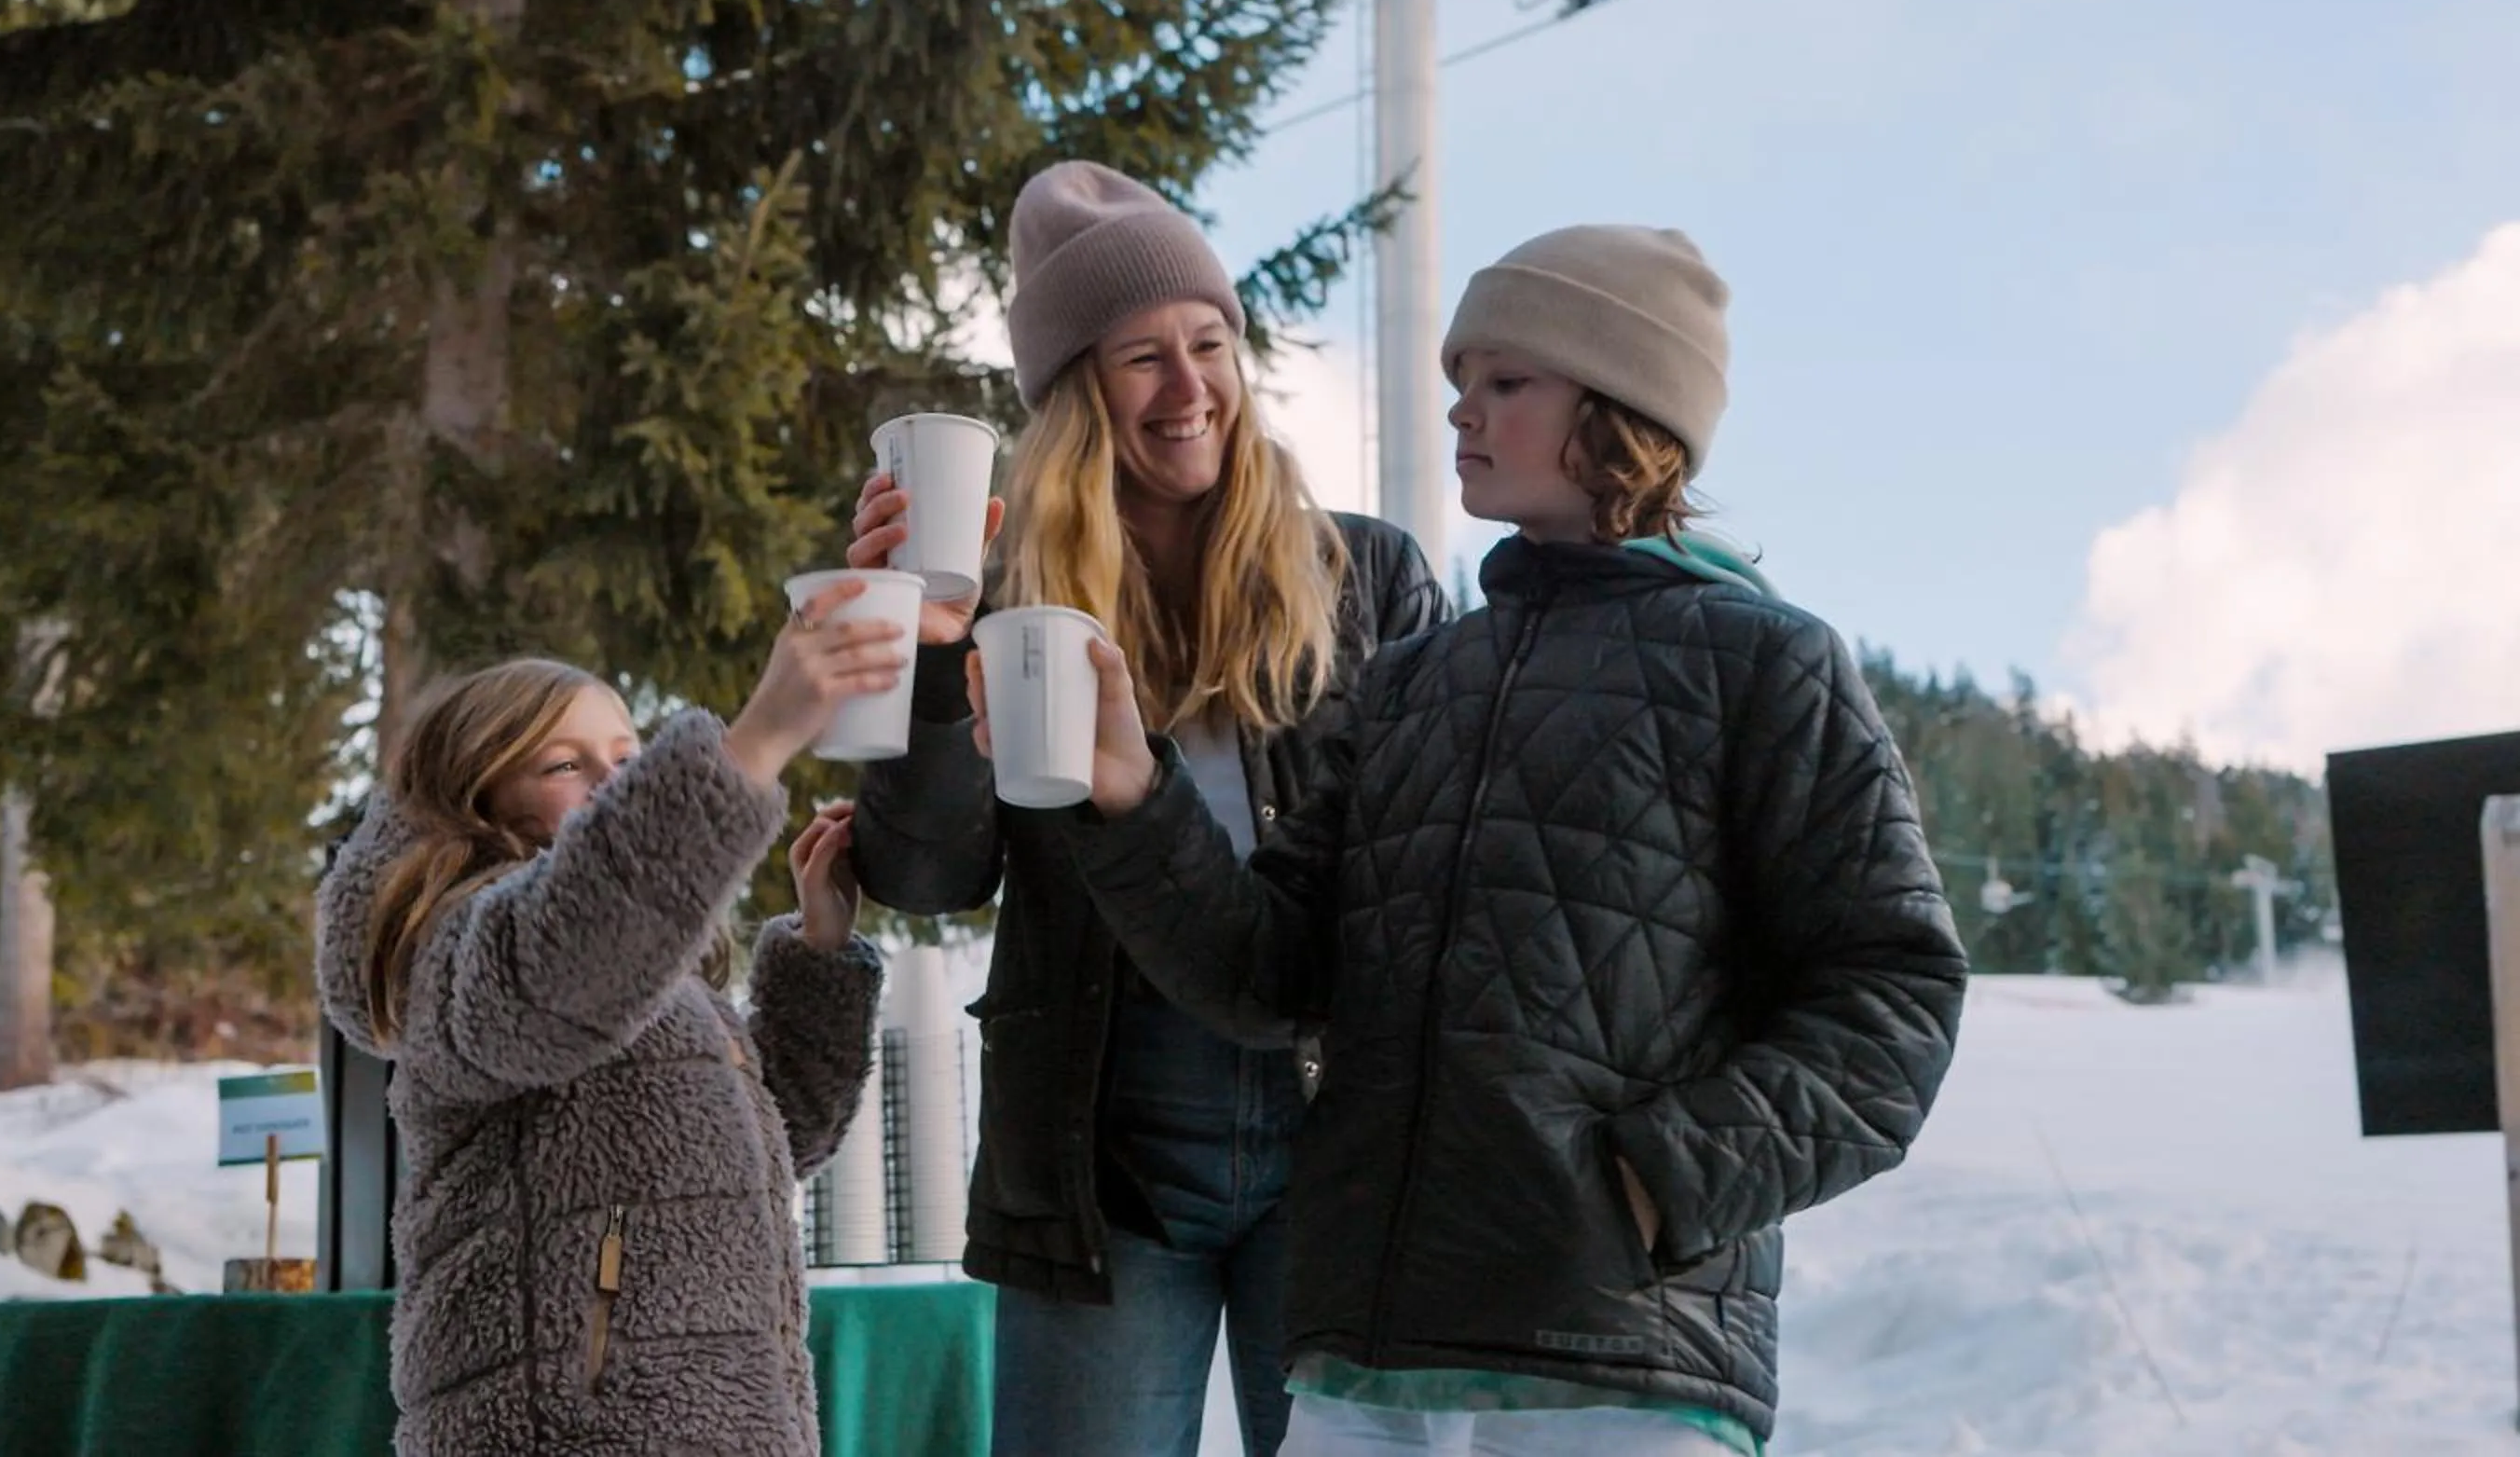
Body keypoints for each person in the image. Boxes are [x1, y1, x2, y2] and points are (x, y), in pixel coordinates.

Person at [1018, 226, 1970, 1456]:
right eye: (1460, 383)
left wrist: (1658, 1182)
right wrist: (1130, 793)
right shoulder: (1414, 683)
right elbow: (1266, 976)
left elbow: (1892, 1004)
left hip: (1616, 1374)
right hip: (1367, 1370)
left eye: (1507, 383)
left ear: (1625, 404)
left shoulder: (1769, 664)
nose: (1463, 412)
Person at [844, 160, 1452, 1457]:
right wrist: (926, 661)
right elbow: (928, 874)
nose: (1190, 391)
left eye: (1210, 344)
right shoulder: (1005, 595)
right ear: (1075, 394)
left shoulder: (1368, 577)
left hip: (1336, 1122)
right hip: (1100, 1147)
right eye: (1141, 359)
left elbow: (1426, 869)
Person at [314, 598, 901, 1457]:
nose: (613, 779)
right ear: (478, 793)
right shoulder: (463, 954)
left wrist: (821, 947)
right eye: (564, 763)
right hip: (570, 1426)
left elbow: (773, 1138)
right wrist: (756, 742)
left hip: (728, 1420)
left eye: (629, 757)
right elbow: (567, 949)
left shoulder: (652, 984)